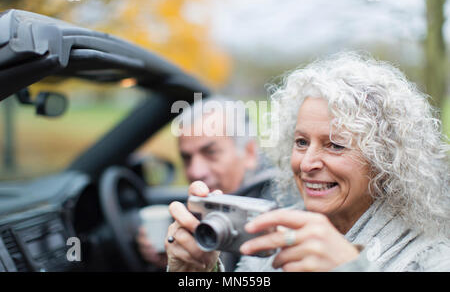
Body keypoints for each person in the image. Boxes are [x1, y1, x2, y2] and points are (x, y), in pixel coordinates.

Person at [165, 51, 450, 272]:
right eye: (301, 142)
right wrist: (198, 272)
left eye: (335, 145)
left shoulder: (433, 255)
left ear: (385, 159)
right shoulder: (275, 236)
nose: (306, 163)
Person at [137, 96, 273, 271]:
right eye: (186, 158)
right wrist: (177, 258)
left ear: (249, 153)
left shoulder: (278, 211)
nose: (195, 171)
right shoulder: (195, 213)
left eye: (211, 152)